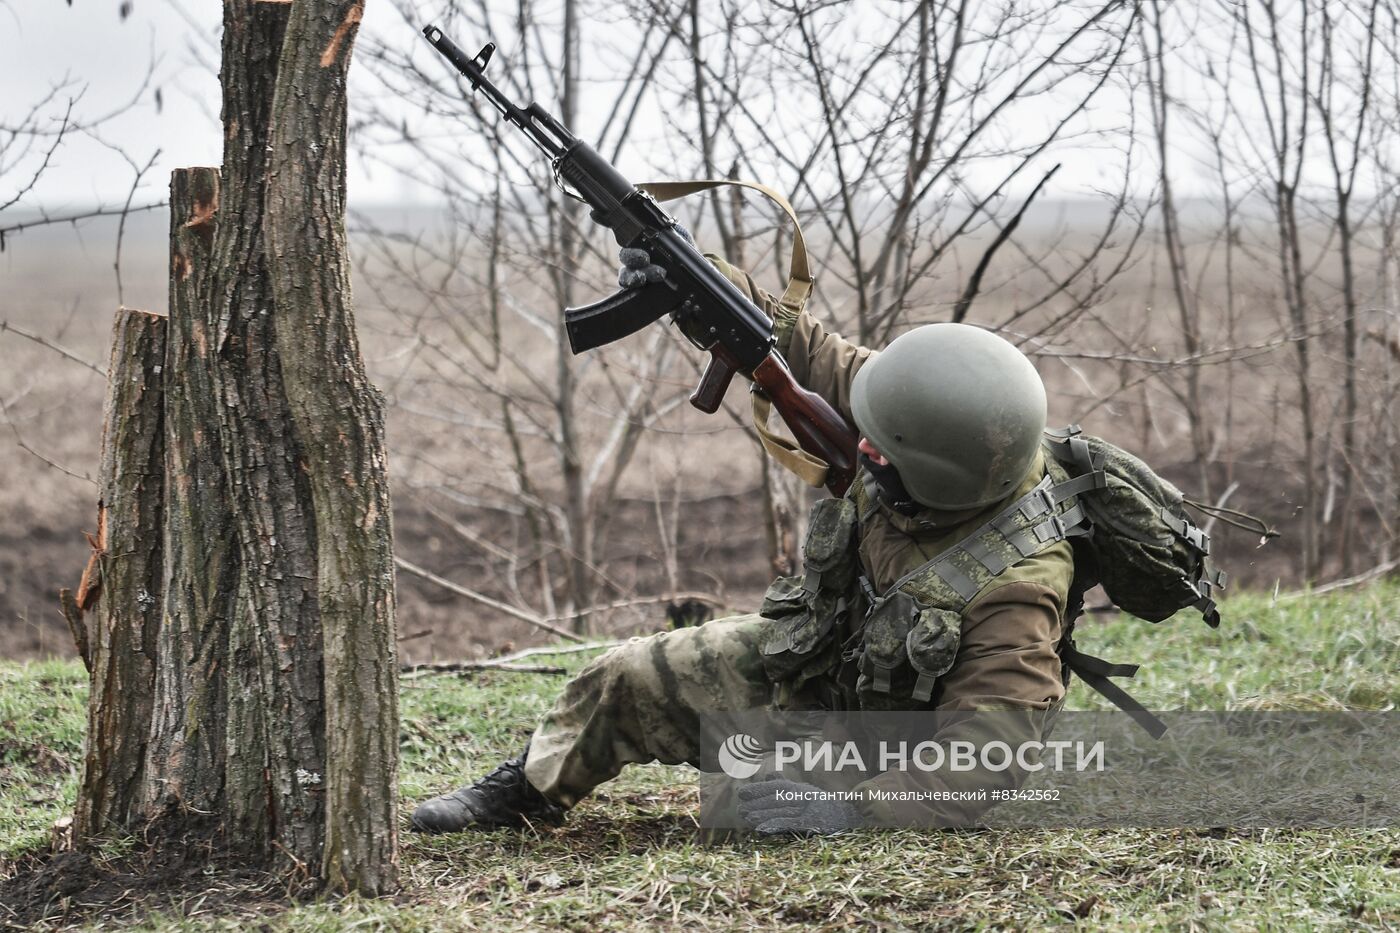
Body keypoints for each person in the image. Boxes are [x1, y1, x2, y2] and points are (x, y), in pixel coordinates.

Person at [411, 245, 1074, 835]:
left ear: (935, 474)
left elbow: (989, 753)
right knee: (629, 673)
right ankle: (528, 788)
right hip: (827, 663)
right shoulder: (915, 405)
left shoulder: (1016, 583)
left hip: (897, 753)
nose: (862, 437)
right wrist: (691, 273)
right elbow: (800, 345)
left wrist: (857, 811)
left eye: (878, 445)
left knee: (748, 802)